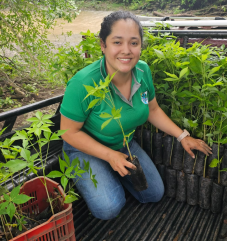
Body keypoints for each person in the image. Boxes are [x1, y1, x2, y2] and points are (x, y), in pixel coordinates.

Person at [60, 11, 212, 220]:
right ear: (103, 45)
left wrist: (183, 136)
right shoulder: (83, 82)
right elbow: (69, 132)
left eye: (134, 43)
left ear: (141, 46)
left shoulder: (142, 71)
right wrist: (109, 156)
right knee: (109, 208)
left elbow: (153, 109)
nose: (126, 50)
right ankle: (104, 171)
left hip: (123, 144)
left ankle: (113, 170)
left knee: (153, 194)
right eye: (117, 42)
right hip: (85, 149)